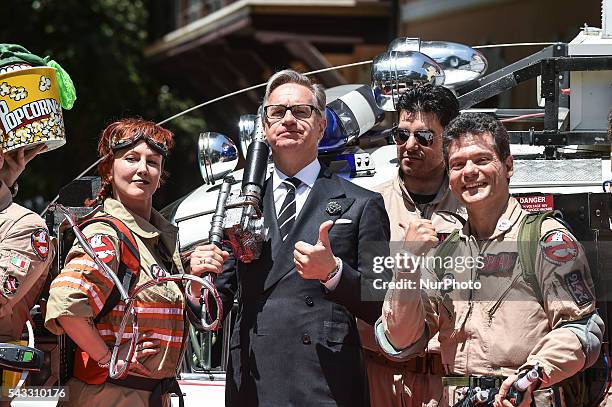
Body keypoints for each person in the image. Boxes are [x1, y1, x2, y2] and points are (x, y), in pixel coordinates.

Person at [376, 113, 604, 407]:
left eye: (482, 160)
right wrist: (406, 265)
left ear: (508, 166)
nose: (469, 171)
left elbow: (581, 329)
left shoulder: (544, 240)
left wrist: (532, 375)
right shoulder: (443, 254)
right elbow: (400, 342)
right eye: (457, 165)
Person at [216, 69, 391, 406]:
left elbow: (382, 304)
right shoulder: (239, 205)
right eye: (278, 112)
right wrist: (200, 280)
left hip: (326, 383)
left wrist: (334, 274)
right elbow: (213, 306)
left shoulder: (363, 202)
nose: (289, 120)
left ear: (322, 124)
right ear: (265, 127)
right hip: (254, 382)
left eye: (301, 111)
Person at [44, 118, 228, 407]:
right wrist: (109, 359)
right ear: (108, 167)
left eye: (153, 161)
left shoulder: (159, 241)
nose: (143, 169)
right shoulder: (107, 234)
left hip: (149, 395)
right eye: (131, 158)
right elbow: (66, 305)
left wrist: (193, 286)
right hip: (112, 395)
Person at [359, 84, 463, 407]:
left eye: (424, 137)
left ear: (448, 141)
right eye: (401, 135)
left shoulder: (472, 207)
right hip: (376, 378)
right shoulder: (367, 203)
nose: (409, 145)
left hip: (445, 383)